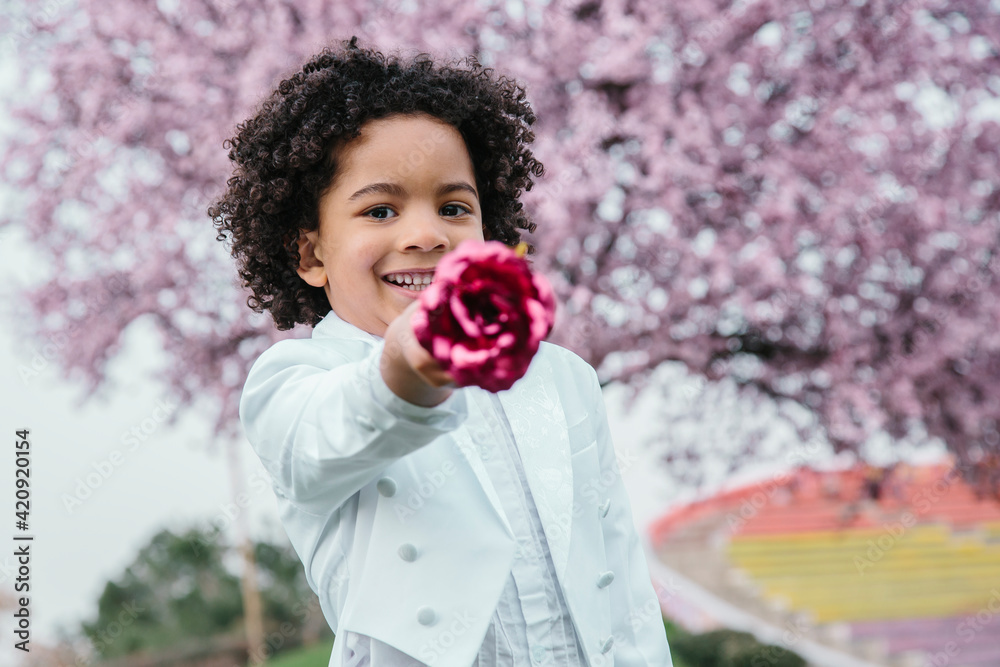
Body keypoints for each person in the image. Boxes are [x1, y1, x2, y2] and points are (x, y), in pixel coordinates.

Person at [210, 37, 672, 667]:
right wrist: (408, 368)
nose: (426, 234)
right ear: (312, 255)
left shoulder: (564, 377)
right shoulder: (298, 379)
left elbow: (618, 573)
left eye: (454, 206)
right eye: (380, 210)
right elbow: (323, 443)